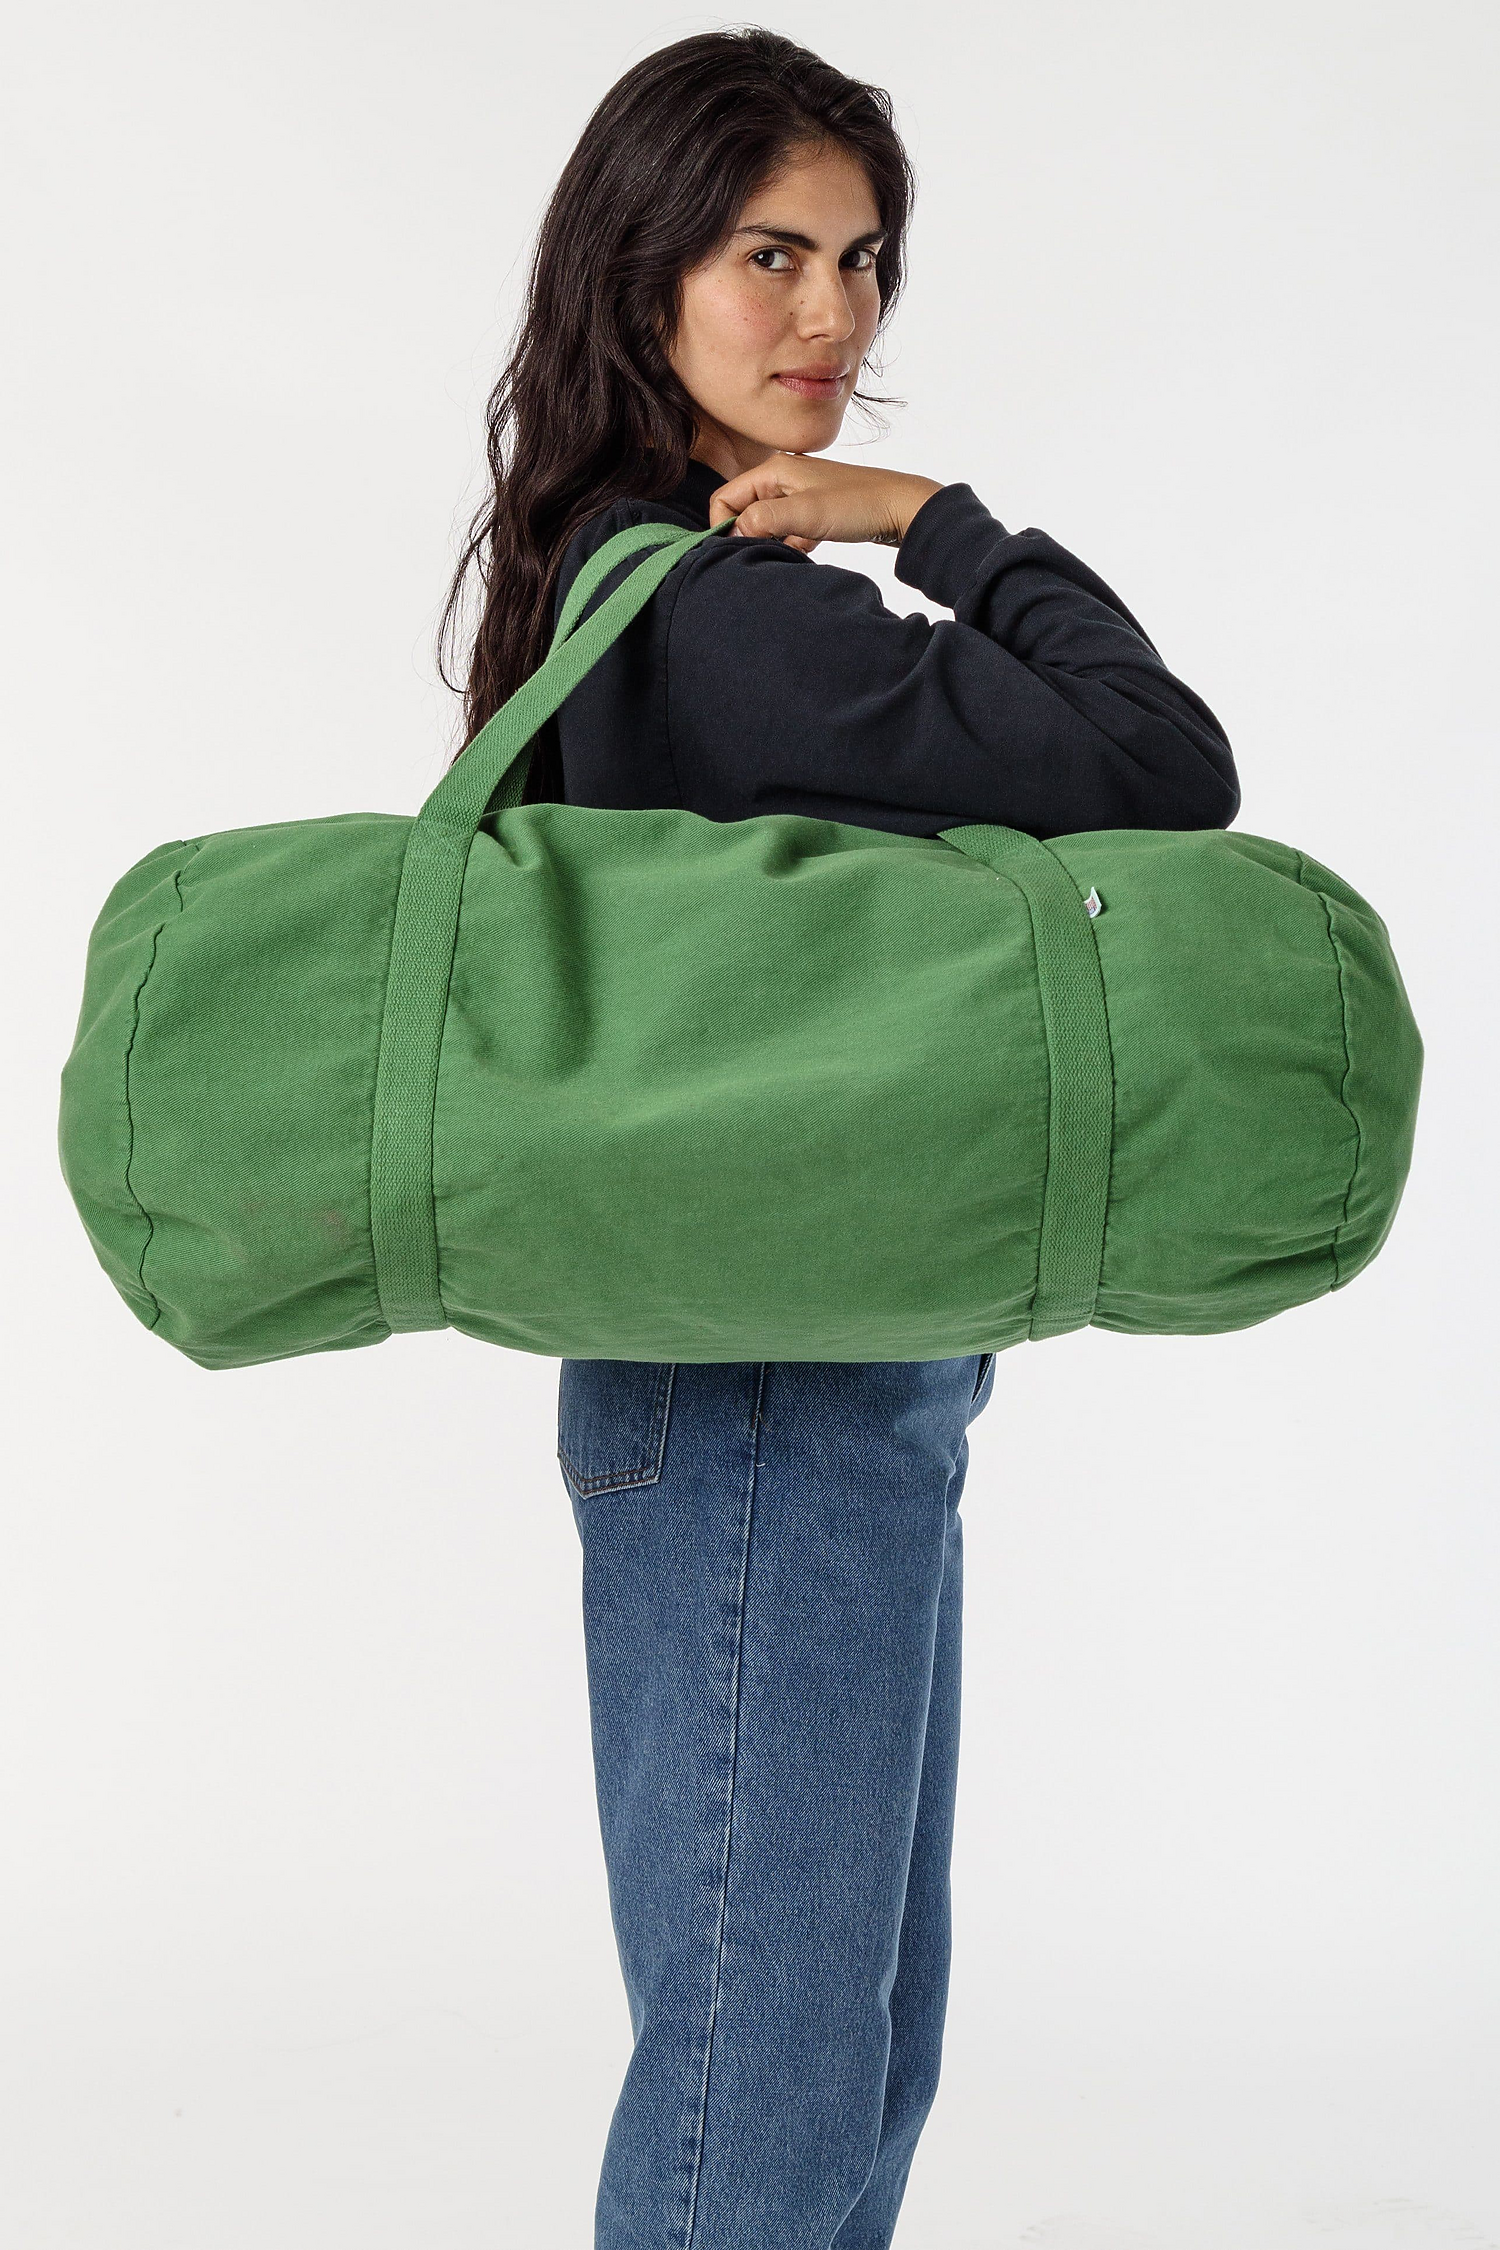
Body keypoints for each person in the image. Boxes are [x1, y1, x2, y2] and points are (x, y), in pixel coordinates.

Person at [438, 30, 1240, 2250]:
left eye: (864, 259)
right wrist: (936, 522)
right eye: (770, 254)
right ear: (645, 277)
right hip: (767, 1396)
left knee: (833, 2056)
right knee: (770, 2088)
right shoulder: (719, 607)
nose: (834, 314)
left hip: (784, 1372)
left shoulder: (638, 579)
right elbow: (1163, 764)